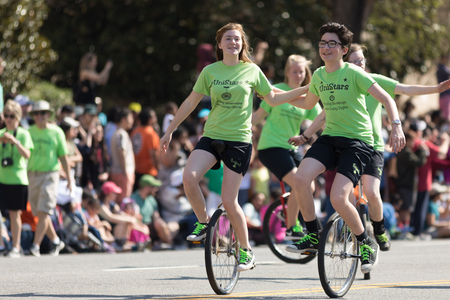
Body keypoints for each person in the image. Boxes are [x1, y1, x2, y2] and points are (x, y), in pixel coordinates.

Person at [160, 23, 310, 271]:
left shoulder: (251, 71)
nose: (233, 43)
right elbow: (190, 102)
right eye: (228, 39)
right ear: (220, 44)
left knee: (229, 201)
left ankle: (246, 251)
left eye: (237, 39)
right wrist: (170, 129)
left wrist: (304, 89)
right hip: (212, 136)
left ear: (242, 45)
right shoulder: (210, 71)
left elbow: (272, 98)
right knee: (189, 177)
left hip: (239, 141)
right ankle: (203, 222)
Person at [295, 42, 450, 250]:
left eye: (361, 60)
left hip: (372, 145)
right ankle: (348, 232)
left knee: (371, 192)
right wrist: (304, 136)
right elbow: (322, 115)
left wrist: (437, 89)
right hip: (343, 142)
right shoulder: (339, 80)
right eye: (354, 61)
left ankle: (378, 230)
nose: (358, 64)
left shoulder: (373, 80)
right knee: (342, 194)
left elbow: (405, 89)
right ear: (346, 62)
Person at [284, 22, 405, 275]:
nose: (326, 48)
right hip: (330, 138)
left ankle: (365, 242)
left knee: (338, 197)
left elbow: (387, 98)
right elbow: (308, 103)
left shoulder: (354, 73)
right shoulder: (318, 75)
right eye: (322, 43)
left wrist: (396, 126)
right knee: (300, 178)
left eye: (332, 44)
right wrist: (275, 94)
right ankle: (313, 234)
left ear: (344, 49)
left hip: (358, 142)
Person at [252, 54, 322, 240]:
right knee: (298, 181)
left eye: (301, 71)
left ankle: (289, 215)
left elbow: (321, 120)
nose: (298, 75)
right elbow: (258, 116)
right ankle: (292, 226)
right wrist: (238, 124)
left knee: (310, 186)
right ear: (287, 72)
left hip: (291, 147)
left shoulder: (308, 97)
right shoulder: (278, 90)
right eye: (294, 71)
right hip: (270, 147)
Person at [27, 100, 72, 257]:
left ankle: (35, 246)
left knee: (44, 211)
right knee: (39, 214)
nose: (40, 116)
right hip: (32, 175)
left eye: (43, 113)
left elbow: (64, 156)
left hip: (50, 175)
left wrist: (70, 179)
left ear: (48, 115)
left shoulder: (57, 132)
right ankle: (55, 241)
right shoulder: (28, 131)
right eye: (37, 113)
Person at [0, 100, 34, 257]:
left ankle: (15, 247)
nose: (8, 119)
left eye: (11, 116)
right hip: (2, 179)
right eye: (6, 115)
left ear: (18, 117)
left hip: (18, 180)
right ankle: (2, 245)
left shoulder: (23, 134)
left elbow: (27, 155)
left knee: (15, 214)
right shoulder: (1, 134)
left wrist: (15, 141)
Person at [130, 174, 174, 248]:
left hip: (150, 226)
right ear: (147, 188)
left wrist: (164, 227)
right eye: (153, 187)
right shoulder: (132, 199)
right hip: (137, 226)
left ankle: (167, 244)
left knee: (165, 224)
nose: (156, 189)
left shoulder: (152, 200)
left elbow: (156, 217)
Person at [131, 107, 161, 191]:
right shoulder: (151, 134)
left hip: (136, 170)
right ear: (149, 120)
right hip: (149, 173)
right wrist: (158, 168)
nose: (156, 119)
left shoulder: (135, 132)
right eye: (154, 117)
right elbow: (153, 154)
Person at [110, 108, 135, 203]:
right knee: (123, 201)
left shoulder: (118, 133)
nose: (132, 121)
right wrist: (125, 173)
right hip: (122, 173)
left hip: (121, 172)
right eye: (130, 118)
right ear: (124, 119)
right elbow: (122, 153)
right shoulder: (121, 134)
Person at [436, 54, 450, 120]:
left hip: (442, 94)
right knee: (445, 115)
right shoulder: (443, 69)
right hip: (445, 94)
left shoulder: (439, 68)